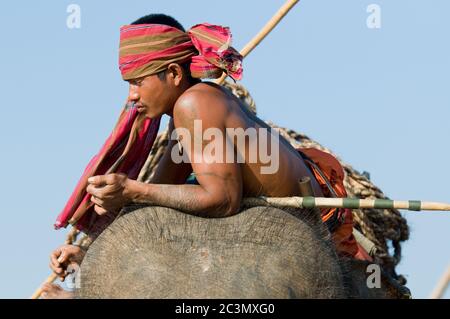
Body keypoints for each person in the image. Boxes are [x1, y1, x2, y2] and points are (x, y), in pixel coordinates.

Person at [42, 13, 367, 298]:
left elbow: (222, 198)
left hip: (303, 223)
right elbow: (152, 199)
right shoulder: (188, 111)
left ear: (173, 73)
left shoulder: (193, 104)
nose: (132, 96)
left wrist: (131, 189)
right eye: (128, 84)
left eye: (138, 82)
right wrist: (90, 251)